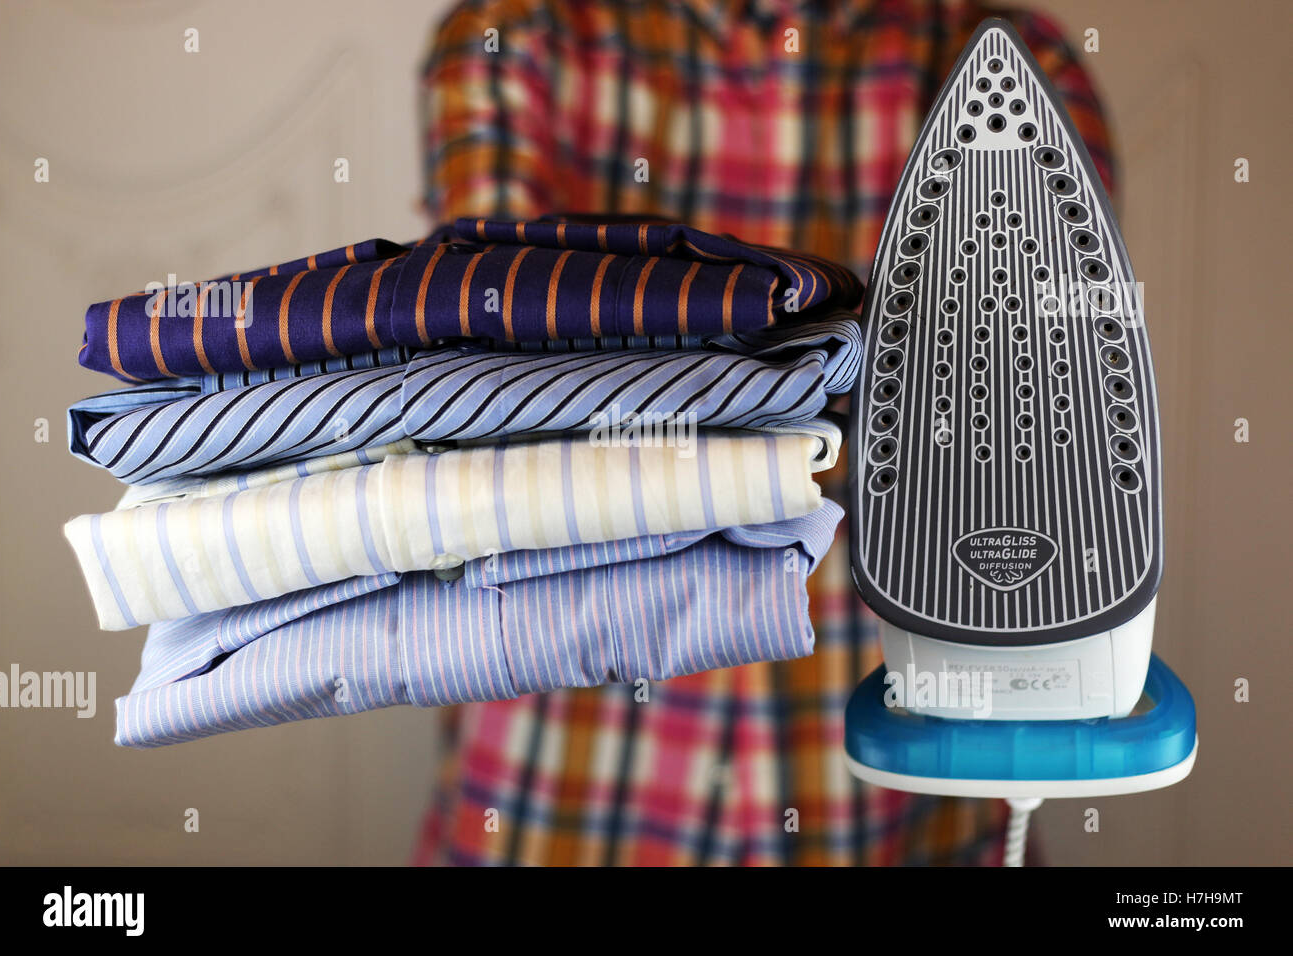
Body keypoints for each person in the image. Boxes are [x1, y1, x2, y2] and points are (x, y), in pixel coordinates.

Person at [411, 0, 1115, 866]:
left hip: (902, 765)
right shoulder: (517, 35)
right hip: (569, 751)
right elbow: (499, 393)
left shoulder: (1009, 68)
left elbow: (1037, 422)